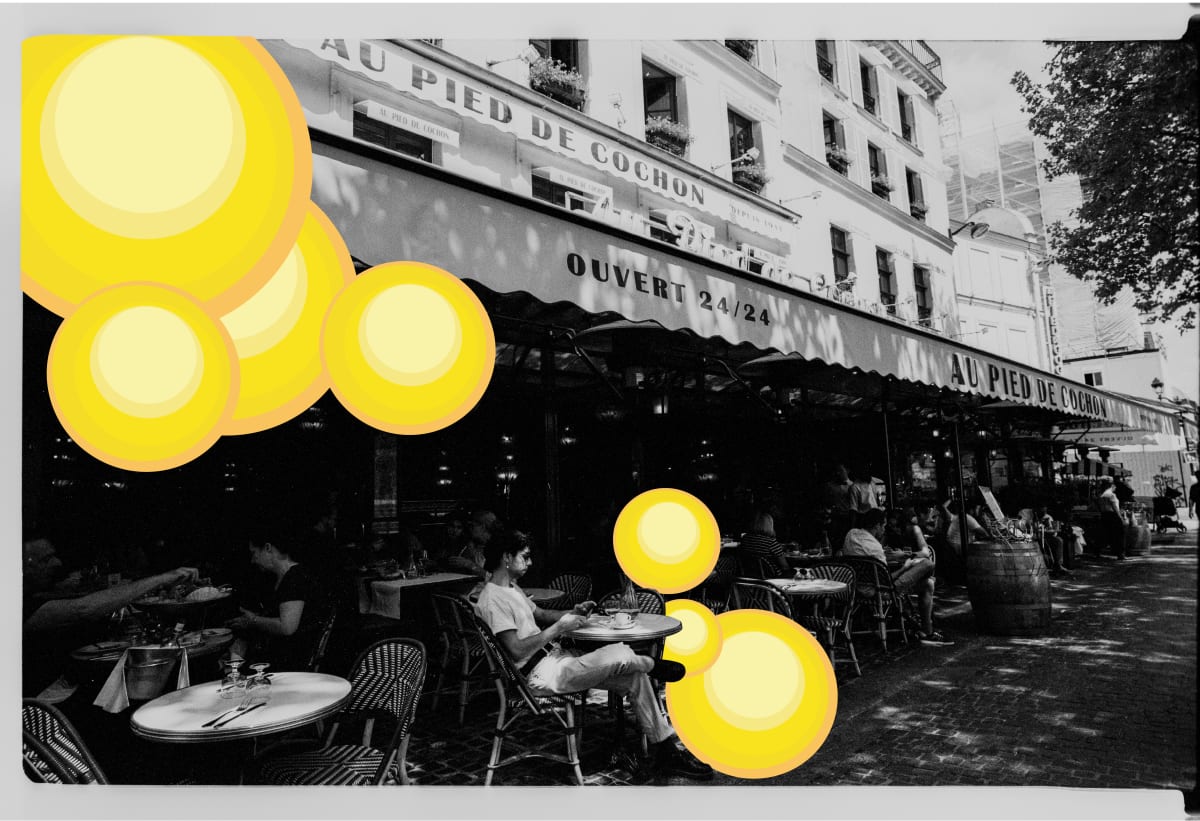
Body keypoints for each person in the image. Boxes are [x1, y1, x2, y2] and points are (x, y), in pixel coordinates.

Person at [474, 531, 713, 780]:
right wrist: (559, 629)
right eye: (525, 557)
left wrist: (573, 612)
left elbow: (542, 614)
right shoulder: (492, 599)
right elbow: (516, 650)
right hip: (538, 676)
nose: (531, 562)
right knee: (620, 652)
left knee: (635, 676)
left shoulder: (511, 588)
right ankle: (653, 664)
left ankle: (666, 752)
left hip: (555, 659)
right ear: (506, 558)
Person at [22, 534, 200, 695]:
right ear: (22, 564)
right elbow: (82, 610)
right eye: (46, 559)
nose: (57, 563)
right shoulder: (15, 605)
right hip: (46, 699)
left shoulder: (36, 594)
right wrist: (161, 579)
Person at [842, 509, 952, 646]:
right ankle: (926, 631)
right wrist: (905, 567)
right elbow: (887, 580)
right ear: (877, 526)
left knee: (928, 584)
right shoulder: (875, 547)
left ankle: (925, 630)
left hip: (857, 589)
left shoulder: (851, 535)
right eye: (883, 526)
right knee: (928, 564)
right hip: (883, 592)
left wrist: (890, 555)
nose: (884, 529)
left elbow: (869, 558)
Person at [226, 526, 325, 670]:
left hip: (294, 660)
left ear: (268, 548)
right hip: (287, 654)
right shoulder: (281, 577)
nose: (253, 560)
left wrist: (253, 620)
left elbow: (287, 627)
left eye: (254, 553)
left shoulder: (295, 578)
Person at [738, 511, 789, 577]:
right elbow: (784, 566)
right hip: (771, 578)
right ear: (770, 525)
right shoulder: (771, 542)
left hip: (749, 576)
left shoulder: (745, 539)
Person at [1096, 476, 1126, 560]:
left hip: (1104, 515)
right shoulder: (1112, 495)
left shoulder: (1100, 496)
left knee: (1105, 534)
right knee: (1119, 534)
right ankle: (1120, 554)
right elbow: (1115, 508)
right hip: (1112, 515)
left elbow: (1099, 507)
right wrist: (1121, 518)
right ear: (1111, 485)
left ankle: (1099, 552)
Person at [824, 464, 854, 549]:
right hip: (835, 518)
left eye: (841, 471)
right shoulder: (830, 486)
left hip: (848, 518)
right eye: (837, 471)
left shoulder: (853, 486)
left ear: (847, 471)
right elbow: (827, 502)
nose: (838, 473)